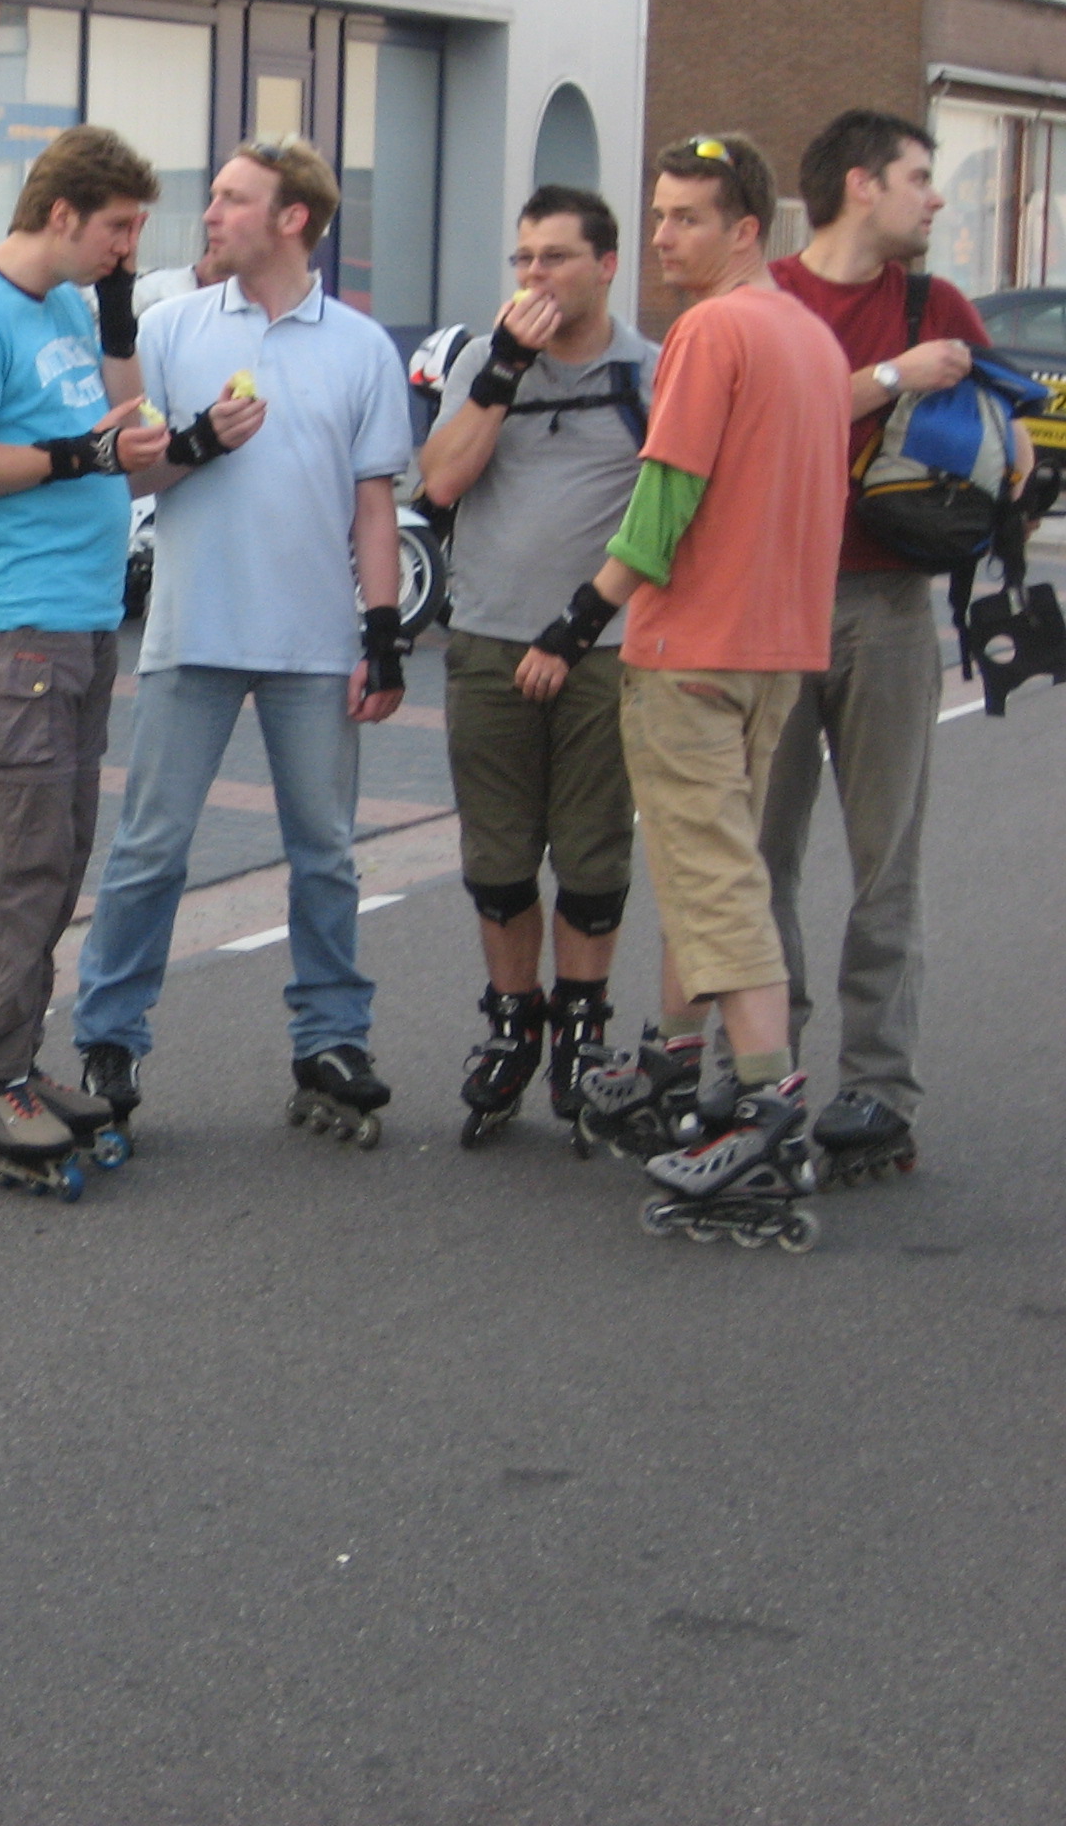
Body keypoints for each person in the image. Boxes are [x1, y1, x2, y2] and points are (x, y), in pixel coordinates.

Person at [515, 136, 851, 1244]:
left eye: (687, 218)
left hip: (692, 653)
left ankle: (764, 1113)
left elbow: (663, 503)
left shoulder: (711, 331)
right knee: (713, 866)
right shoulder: (808, 337)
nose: (662, 236)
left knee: (716, 889)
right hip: (775, 652)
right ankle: (672, 1064)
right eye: (657, 214)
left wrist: (578, 618)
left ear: (745, 228)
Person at [69, 137, 415, 1146]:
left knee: (326, 854)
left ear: (291, 219)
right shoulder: (174, 326)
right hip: (194, 632)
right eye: (213, 196)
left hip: (314, 642)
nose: (209, 214)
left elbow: (374, 506)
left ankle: (331, 1039)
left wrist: (382, 633)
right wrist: (196, 440)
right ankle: (109, 1038)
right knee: (149, 851)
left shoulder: (360, 347)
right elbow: (127, 471)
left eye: (230, 199)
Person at [761, 110, 1027, 1184]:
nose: (937, 197)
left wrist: (1003, 459)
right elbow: (758, 432)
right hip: (768, 606)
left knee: (888, 862)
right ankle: (759, 1068)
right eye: (920, 177)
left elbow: (1008, 446)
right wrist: (891, 379)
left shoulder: (938, 305)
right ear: (861, 185)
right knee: (756, 858)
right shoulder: (768, 298)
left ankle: (877, 1089)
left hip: (890, 607)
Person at [0, 125, 165, 1192]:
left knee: (57, 854)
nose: (128, 246)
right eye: (119, 228)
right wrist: (79, 456)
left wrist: (119, 315)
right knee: (17, 861)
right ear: (63, 214)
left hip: (80, 617)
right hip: (14, 625)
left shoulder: (66, 302)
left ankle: (16, 1060)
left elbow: (120, 426)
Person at [417, 186, 656, 1145]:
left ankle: (582, 1033)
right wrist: (505, 369)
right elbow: (441, 480)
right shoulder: (486, 358)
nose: (534, 275)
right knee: (500, 856)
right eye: (523, 258)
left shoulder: (650, 370)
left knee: (592, 854)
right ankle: (514, 1023)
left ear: (606, 266)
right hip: (488, 637)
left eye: (555, 257)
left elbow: (667, 519)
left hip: (603, 649)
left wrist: (582, 627)